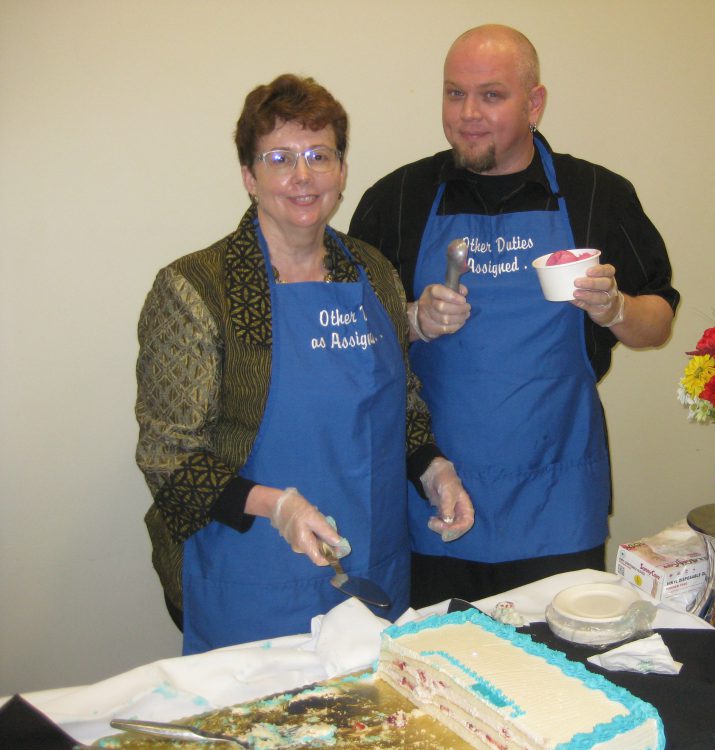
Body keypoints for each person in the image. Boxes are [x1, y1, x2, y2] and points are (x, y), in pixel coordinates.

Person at [135, 74, 473, 654]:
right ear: (249, 176)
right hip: (251, 570)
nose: (303, 175)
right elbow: (167, 458)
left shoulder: (375, 274)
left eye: (320, 155)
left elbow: (403, 406)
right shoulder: (197, 289)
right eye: (280, 158)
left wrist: (435, 469)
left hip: (370, 562)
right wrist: (278, 505)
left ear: (342, 171)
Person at [350, 25, 680, 608]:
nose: (468, 114)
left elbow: (658, 320)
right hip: (430, 496)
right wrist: (411, 318)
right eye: (455, 94)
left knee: (557, 680)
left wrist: (618, 308)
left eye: (491, 96)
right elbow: (354, 339)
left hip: (555, 501)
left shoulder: (597, 194)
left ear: (534, 104)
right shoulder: (396, 200)